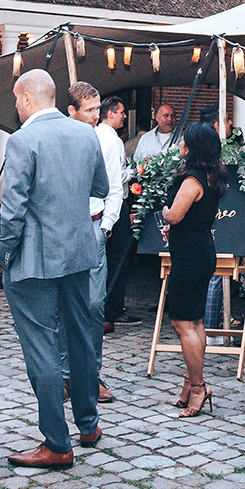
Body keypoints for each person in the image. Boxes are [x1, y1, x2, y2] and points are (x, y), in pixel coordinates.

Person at [0, 69, 109, 468]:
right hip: (79, 252)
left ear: (27, 98)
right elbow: (101, 188)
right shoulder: (85, 134)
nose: (15, 106)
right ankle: (89, 424)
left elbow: (12, 211)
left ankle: (57, 443)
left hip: (36, 258)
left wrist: (5, 254)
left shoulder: (23, 140)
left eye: (15, 99)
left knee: (42, 347)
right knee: (80, 338)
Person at [58, 83, 119, 405]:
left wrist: (106, 226)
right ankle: (68, 375)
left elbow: (114, 188)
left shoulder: (107, 140)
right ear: (72, 111)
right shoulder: (59, 138)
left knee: (95, 305)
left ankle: (91, 374)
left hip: (94, 227)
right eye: (90, 110)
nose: (97, 116)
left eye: (99, 109)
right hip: (63, 230)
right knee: (64, 306)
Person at [159, 122, 225, 418]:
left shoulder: (191, 181)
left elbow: (174, 214)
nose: (180, 144)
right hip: (198, 250)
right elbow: (191, 218)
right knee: (193, 322)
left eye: (184, 141)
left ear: (192, 147)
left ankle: (199, 387)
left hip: (190, 257)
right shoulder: (209, 176)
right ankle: (190, 383)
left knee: (184, 324)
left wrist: (165, 214)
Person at [98, 96, 138, 332]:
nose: (124, 116)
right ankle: (111, 310)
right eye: (122, 112)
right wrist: (134, 172)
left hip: (105, 205)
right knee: (118, 259)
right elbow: (113, 178)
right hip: (114, 206)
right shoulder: (111, 141)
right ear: (110, 114)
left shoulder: (97, 135)